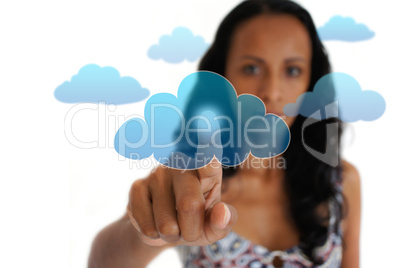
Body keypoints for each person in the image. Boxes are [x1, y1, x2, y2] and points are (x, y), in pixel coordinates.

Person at [88, 0, 361, 267]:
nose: (273, 91)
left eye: (292, 70)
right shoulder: (192, 182)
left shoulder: (340, 182)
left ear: (311, 83)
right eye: (252, 68)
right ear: (222, 78)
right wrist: (146, 232)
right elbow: (102, 263)